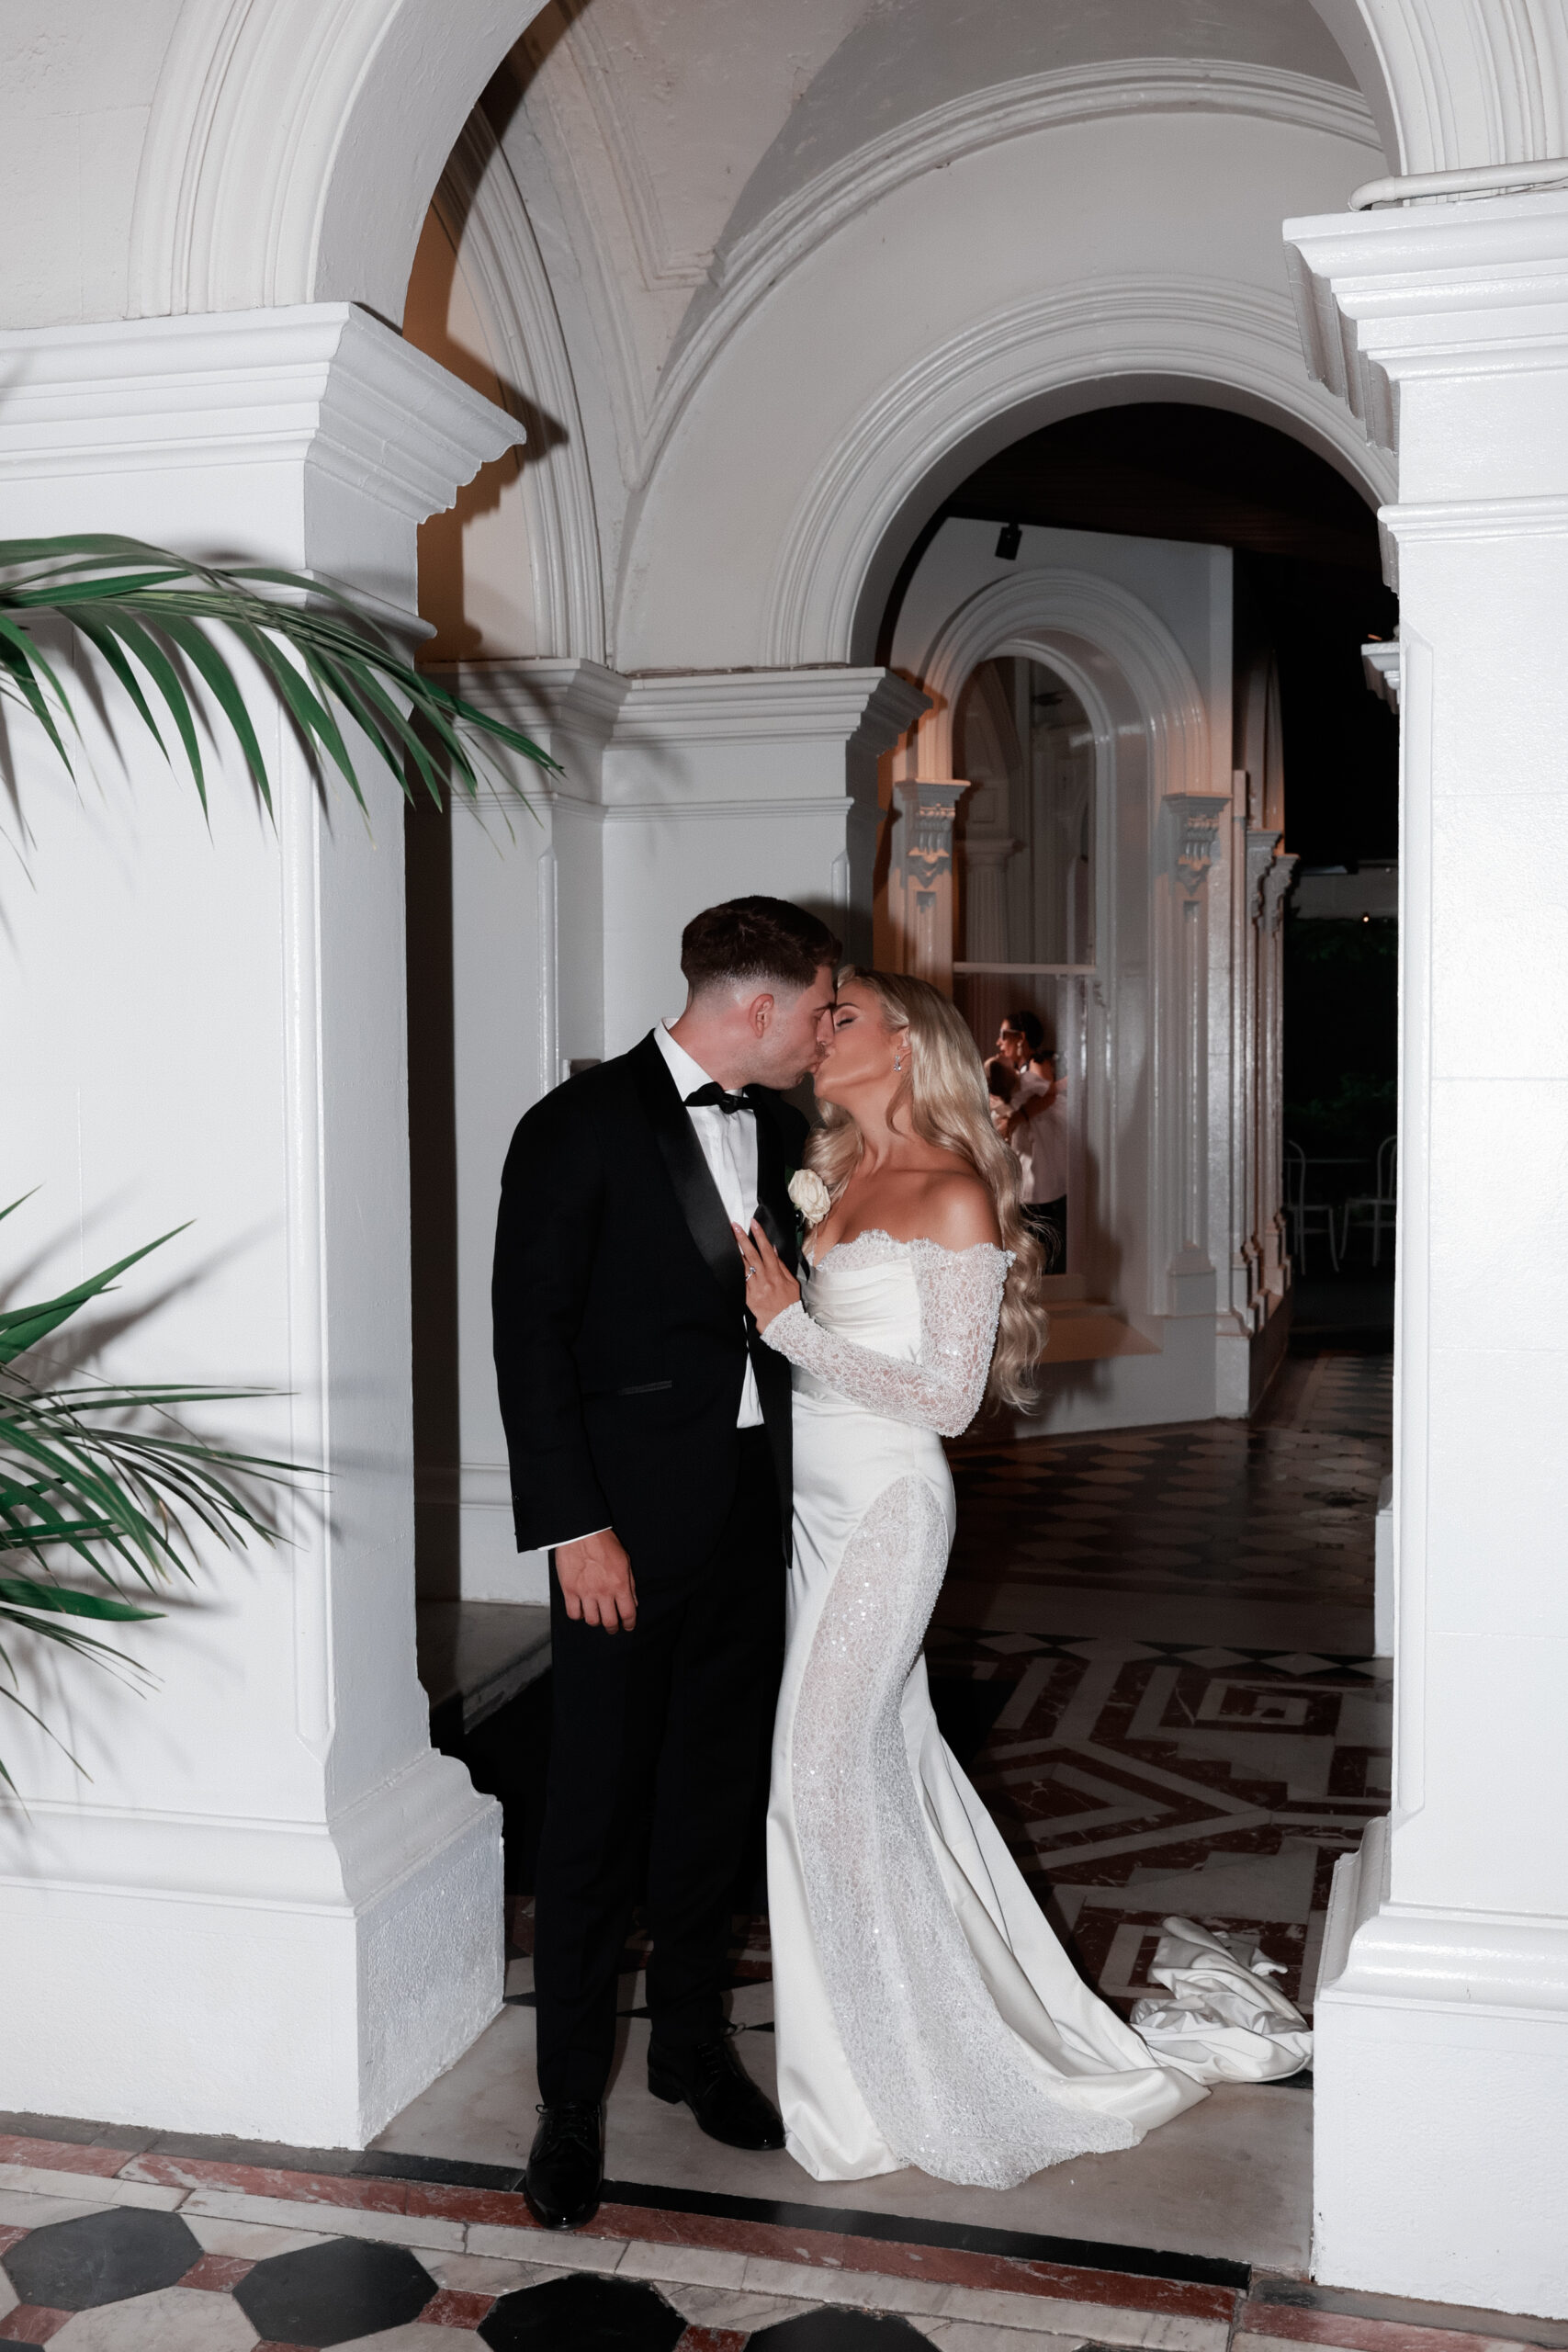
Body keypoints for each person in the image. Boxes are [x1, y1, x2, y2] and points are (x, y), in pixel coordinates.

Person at [733, 970, 1309, 2187]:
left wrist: (787, 1328)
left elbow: (944, 1400)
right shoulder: (831, 1170)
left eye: (838, 1015)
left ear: (900, 1048)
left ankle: (881, 2083)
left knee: (816, 1782)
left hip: (888, 1510)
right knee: (881, 1778)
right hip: (815, 1514)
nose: (811, 1028)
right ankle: (903, 2055)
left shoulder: (947, 1192)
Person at [492, 896, 840, 2230]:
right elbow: (530, 1341)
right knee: (591, 1819)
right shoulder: (572, 1128)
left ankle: (692, 2048)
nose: (822, 1031)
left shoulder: (794, 1128)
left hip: (756, 1517)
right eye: (815, 1008)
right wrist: (574, 1528)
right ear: (757, 1005)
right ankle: (567, 2103)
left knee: (711, 1798)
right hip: (619, 1540)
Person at [995, 1010, 1066, 1270]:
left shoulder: (1036, 1067)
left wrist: (1014, 1118)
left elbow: (1046, 1095)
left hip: (1044, 1167)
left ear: (1020, 1038)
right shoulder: (1021, 1073)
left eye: (1004, 1035)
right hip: (1032, 1166)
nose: (999, 1042)